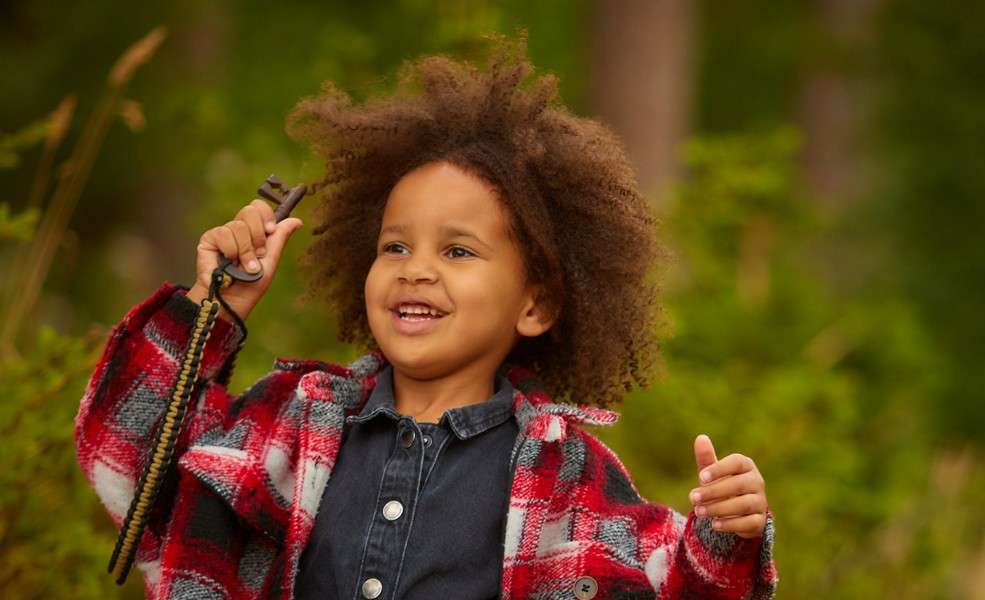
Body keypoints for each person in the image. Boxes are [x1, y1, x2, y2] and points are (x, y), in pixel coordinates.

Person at [74, 37, 776, 599]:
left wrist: (724, 536)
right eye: (396, 245)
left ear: (536, 304)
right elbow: (127, 459)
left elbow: (678, 583)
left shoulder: (568, 478)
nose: (417, 267)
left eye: (459, 249)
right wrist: (210, 310)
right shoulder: (295, 425)